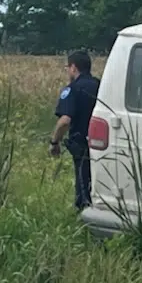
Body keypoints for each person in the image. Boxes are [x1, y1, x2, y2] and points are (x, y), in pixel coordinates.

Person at [50, 50, 101, 210]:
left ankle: (84, 214)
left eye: (67, 67)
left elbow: (65, 121)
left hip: (81, 143)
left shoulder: (72, 89)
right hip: (103, 142)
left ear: (73, 67)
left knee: (83, 182)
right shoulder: (101, 85)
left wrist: (54, 141)